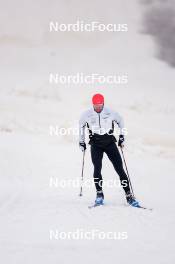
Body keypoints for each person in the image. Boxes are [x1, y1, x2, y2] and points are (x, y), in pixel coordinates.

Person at [79, 93, 139, 207]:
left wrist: (122, 137)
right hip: (95, 143)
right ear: (93, 104)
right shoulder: (86, 114)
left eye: (100, 105)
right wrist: (81, 141)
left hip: (109, 142)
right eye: (96, 105)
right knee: (97, 169)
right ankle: (99, 194)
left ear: (103, 103)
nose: (98, 107)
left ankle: (129, 195)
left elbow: (121, 121)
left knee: (119, 169)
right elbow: (80, 126)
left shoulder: (110, 112)